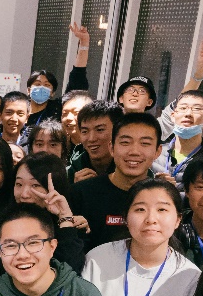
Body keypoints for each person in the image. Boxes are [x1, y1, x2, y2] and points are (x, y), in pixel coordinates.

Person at [71, 113, 160, 251]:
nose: (134, 151)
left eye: (145, 143)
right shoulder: (81, 193)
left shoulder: (163, 199)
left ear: (157, 151)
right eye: (125, 142)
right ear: (111, 148)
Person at [12, 154, 87, 274]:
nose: (24, 194)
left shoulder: (72, 226)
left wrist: (65, 218)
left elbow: (71, 271)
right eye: (19, 184)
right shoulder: (5, 223)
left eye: (35, 185)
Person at [158, 90, 203, 183]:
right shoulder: (155, 154)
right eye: (183, 108)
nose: (188, 114)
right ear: (172, 116)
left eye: (197, 109)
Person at [69, 100, 119, 182]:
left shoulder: (133, 170)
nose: (91, 139)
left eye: (100, 130)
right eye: (85, 131)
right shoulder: (69, 174)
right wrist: (76, 188)